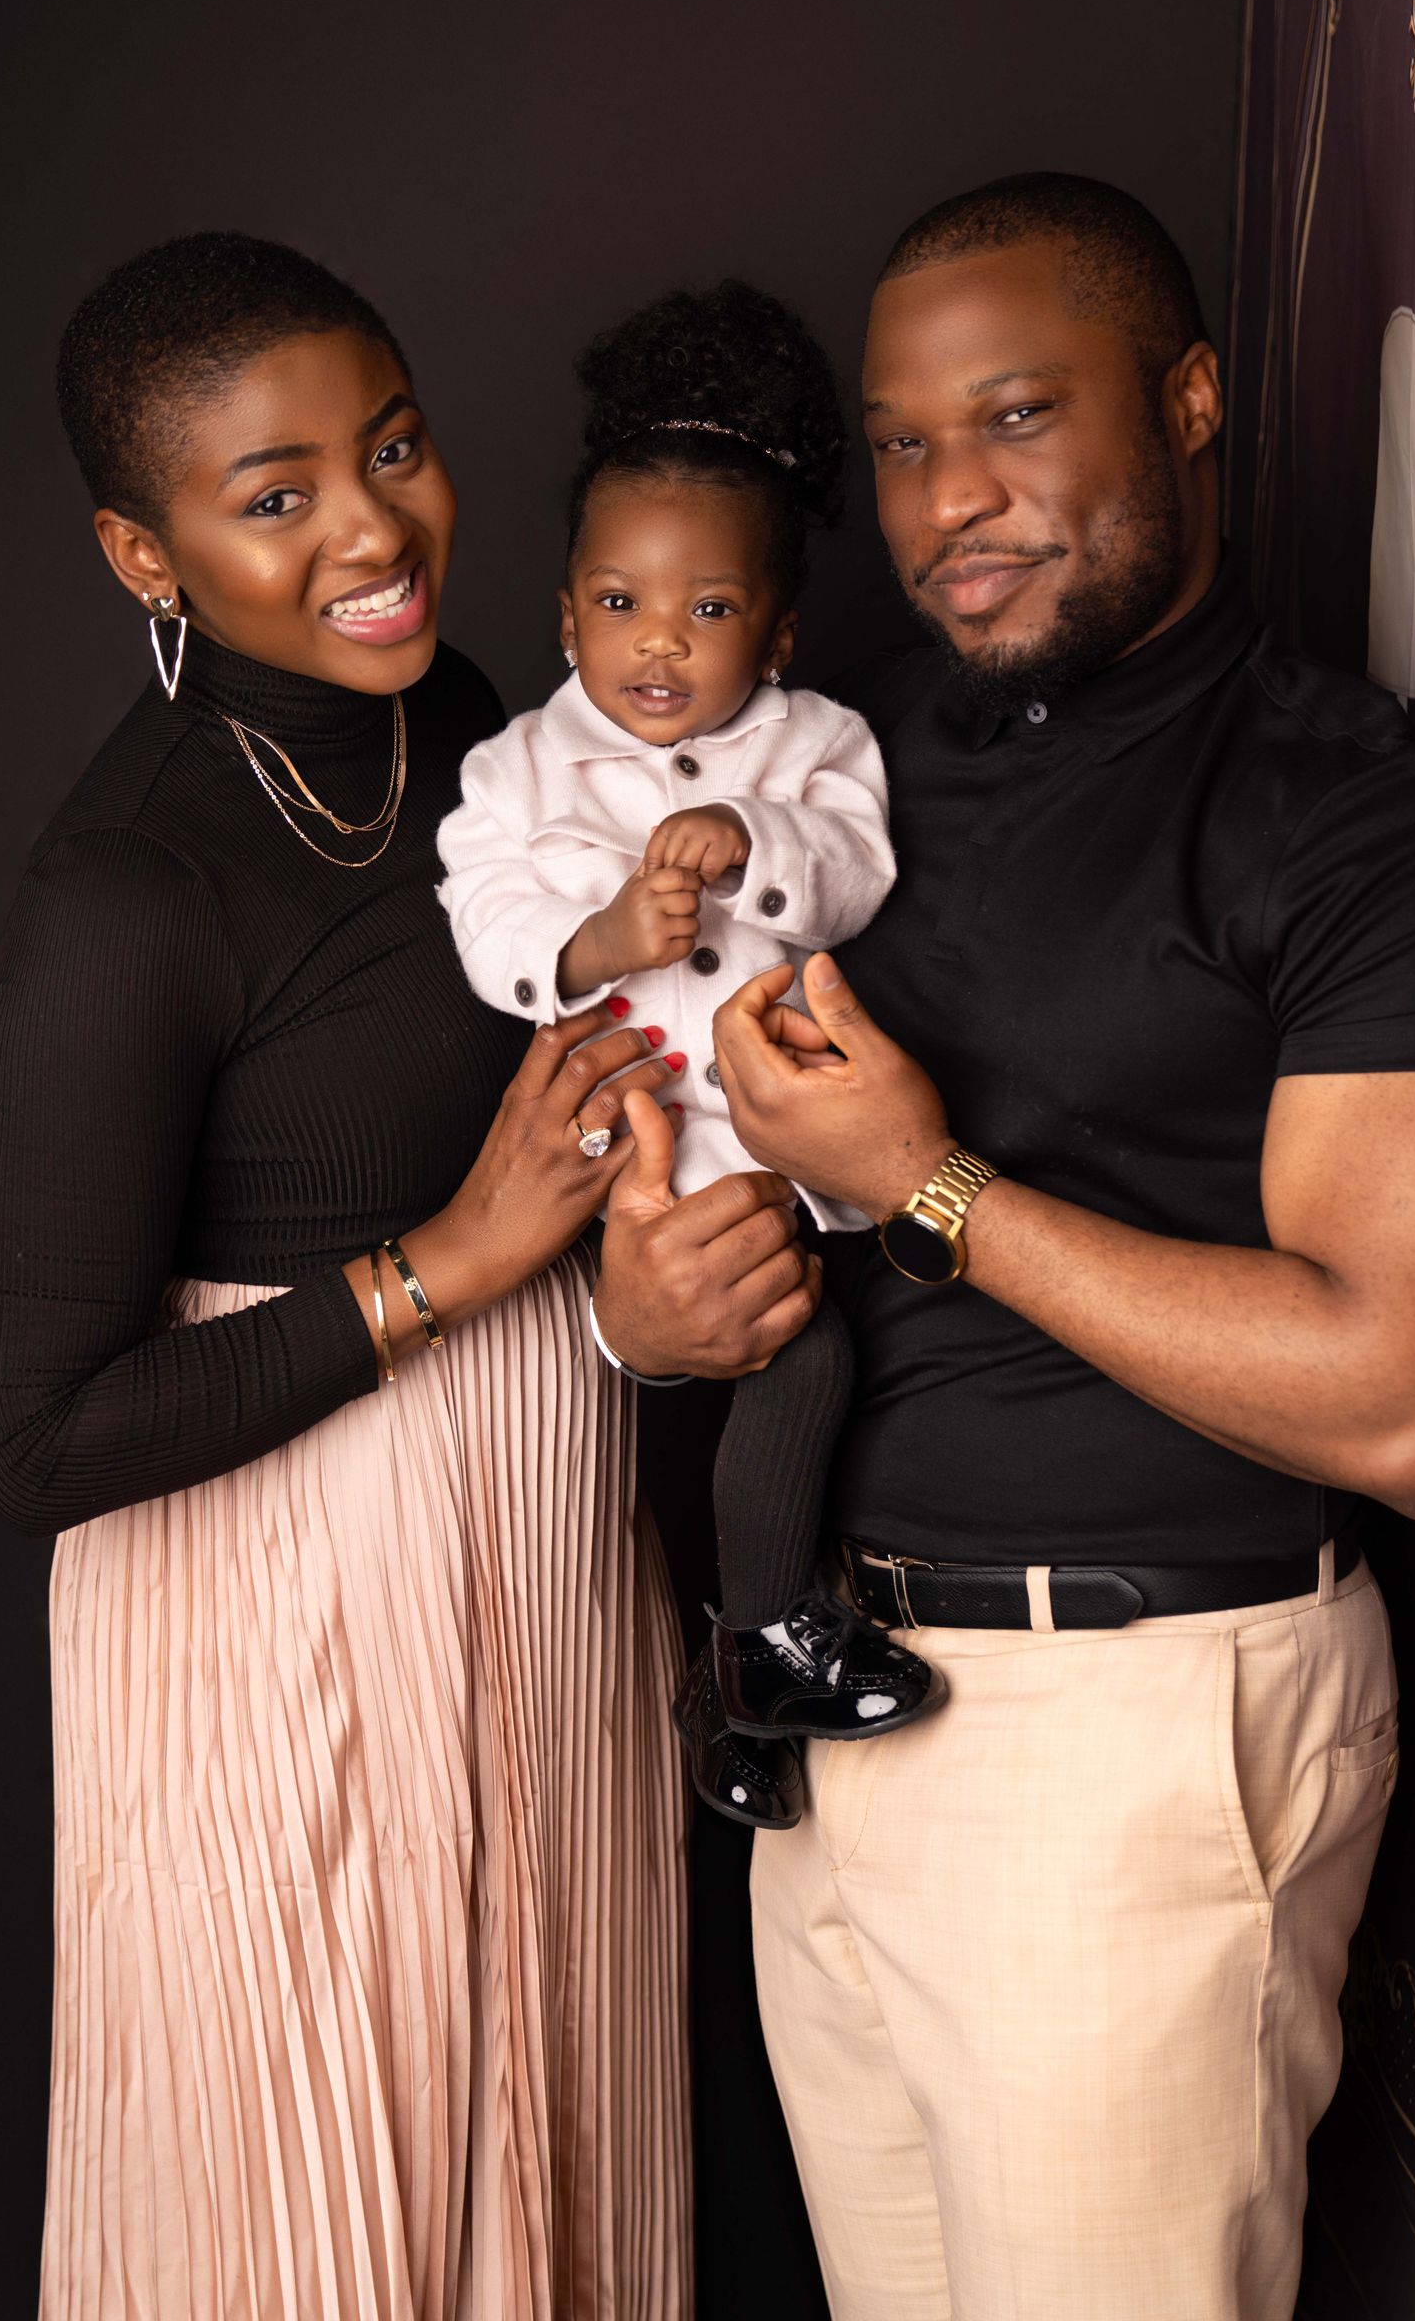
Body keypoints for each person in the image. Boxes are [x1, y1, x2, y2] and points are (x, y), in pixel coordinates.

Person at [587, 173, 1415, 2321]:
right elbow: (703, 1133)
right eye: (910, 444)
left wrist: (931, 1186)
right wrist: (654, 1323)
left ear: (1191, 400)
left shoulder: (1354, 819)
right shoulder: (829, 765)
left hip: (1131, 1733)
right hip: (837, 1716)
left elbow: (1414, 1399)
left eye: (1020, 419)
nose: (954, 502)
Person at [0, 232, 735, 2321]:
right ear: (147, 553)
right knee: (302, 2204)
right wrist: (455, 1261)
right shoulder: (126, 894)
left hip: (545, 1540)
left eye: (388, 446)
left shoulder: (482, 734)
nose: (376, 528)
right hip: (265, 1605)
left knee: (557, 2154)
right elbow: (38, 1440)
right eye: (275, 491)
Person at [435, 281, 941, 1834]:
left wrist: (757, 842)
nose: (659, 645)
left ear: (777, 632)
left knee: (816, 1358)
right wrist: (598, 940)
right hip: (624, 1139)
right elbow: (487, 916)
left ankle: (748, 1677)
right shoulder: (518, 765)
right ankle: (754, 1652)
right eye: (619, 605)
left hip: (781, 1127)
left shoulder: (818, 741)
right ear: (566, 612)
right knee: (718, 1384)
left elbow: (856, 868)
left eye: (710, 611)